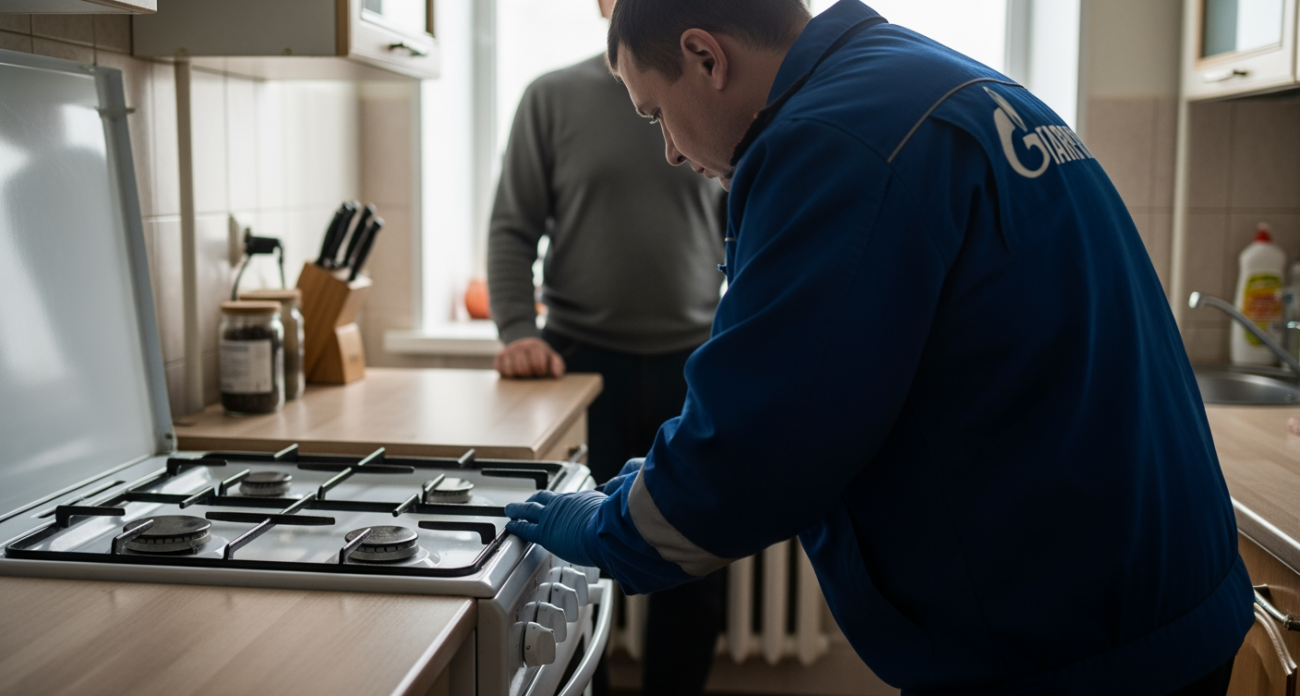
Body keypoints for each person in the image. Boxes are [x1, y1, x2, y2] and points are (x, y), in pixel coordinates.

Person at [505, 1, 1255, 694]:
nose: (668, 150)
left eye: (655, 114)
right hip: (1163, 596)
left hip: (1077, 648)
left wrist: (610, 531)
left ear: (706, 58)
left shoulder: (828, 141)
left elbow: (764, 447)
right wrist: (662, 472)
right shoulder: (921, 81)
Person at [486, 1, 728, 694]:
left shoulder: (715, 95)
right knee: (569, 574)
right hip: (581, 367)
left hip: (694, 364)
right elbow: (512, 228)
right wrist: (516, 333)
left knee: (694, 570)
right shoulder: (552, 97)